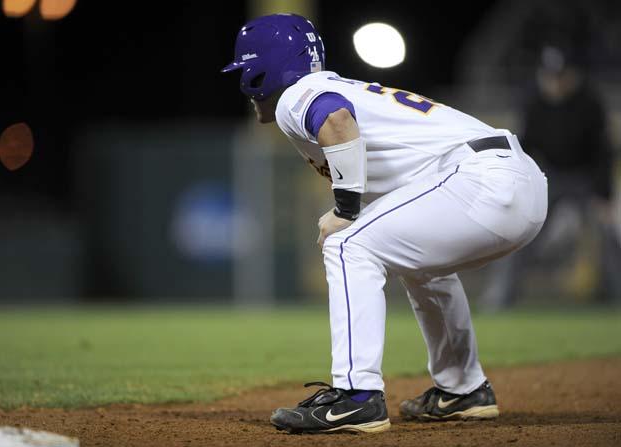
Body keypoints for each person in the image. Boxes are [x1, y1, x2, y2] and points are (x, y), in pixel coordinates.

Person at [222, 14, 548, 434]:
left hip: (481, 178)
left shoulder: (298, 94)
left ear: (262, 69)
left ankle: (356, 397)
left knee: (348, 244)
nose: (244, 84)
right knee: (420, 266)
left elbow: (335, 119)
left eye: (245, 71)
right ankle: (462, 390)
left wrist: (344, 209)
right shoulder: (334, 86)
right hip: (517, 182)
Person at [481, 45, 619, 310]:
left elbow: (603, 152)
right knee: (520, 230)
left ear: (572, 76)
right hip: (550, 176)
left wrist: (605, 197)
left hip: (585, 177)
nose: (554, 82)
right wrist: (519, 188)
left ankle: (618, 297)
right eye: (549, 75)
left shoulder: (590, 102)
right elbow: (525, 148)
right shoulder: (534, 103)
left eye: (560, 75)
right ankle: (500, 297)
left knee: (606, 234)